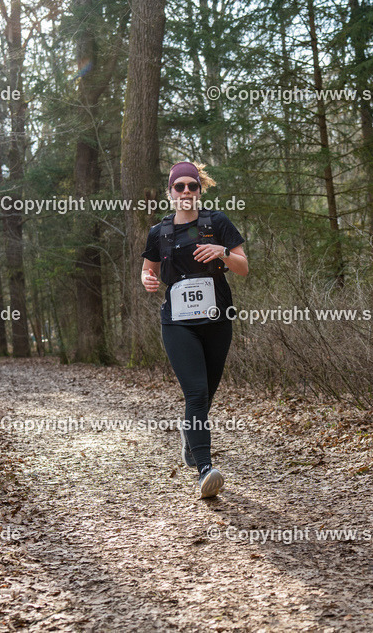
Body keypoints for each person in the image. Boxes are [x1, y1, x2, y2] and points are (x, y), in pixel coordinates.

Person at [141, 161, 248, 498]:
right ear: (170, 192)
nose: (186, 192)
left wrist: (223, 251)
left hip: (217, 319)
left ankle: (190, 440)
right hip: (178, 323)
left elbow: (243, 267)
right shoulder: (159, 232)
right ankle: (205, 468)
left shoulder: (217, 223)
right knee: (197, 394)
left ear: (200, 190)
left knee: (207, 393)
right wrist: (147, 279)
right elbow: (148, 271)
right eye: (179, 187)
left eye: (192, 186)